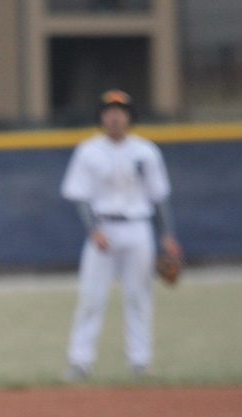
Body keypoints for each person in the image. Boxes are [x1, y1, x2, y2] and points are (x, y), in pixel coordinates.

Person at [60, 89, 182, 380]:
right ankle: (80, 362)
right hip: (103, 227)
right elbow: (80, 196)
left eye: (120, 112)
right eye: (109, 112)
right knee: (91, 297)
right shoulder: (88, 150)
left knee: (139, 296)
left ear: (130, 117)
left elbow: (159, 196)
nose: (114, 117)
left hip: (138, 227)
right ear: (102, 117)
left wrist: (167, 235)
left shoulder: (146, 151)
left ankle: (140, 362)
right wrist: (94, 230)